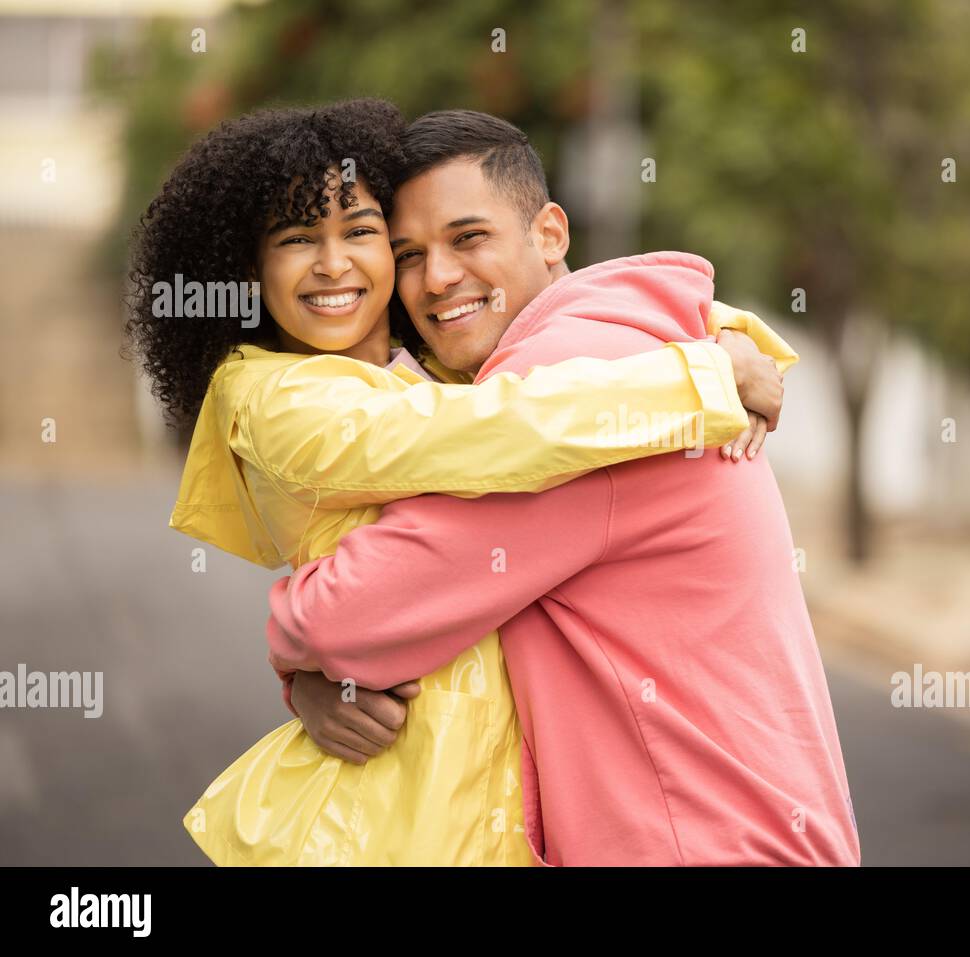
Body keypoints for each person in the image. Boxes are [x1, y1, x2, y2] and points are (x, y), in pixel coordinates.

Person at [125, 99, 791, 865]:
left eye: (363, 233)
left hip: (486, 800)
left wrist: (734, 337)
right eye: (297, 239)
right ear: (248, 272)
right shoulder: (278, 397)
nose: (334, 263)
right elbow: (492, 431)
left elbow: (571, 366)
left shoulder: (432, 372)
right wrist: (699, 379)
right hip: (390, 806)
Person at [271, 110, 860, 866]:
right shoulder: (633, 354)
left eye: (468, 237)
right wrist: (321, 684)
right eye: (409, 254)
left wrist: (297, 656)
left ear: (550, 233)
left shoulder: (563, 391)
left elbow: (350, 616)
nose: (437, 278)